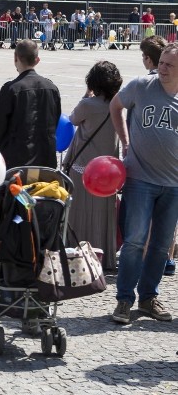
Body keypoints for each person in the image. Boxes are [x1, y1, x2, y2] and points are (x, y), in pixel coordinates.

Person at [108, 44, 178, 324]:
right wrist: (125, 141)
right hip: (140, 179)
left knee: (161, 246)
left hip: (173, 185)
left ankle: (149, 297)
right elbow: (115, 106)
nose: (162, 68)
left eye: (169, 65)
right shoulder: (140, 86)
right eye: (161, 63)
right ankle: (124, 300)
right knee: (135, 241)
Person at [62, 61, 123, 271]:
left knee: (79, 213)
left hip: (84, 168)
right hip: (108, 171)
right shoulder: (116, 105)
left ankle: (77, 254)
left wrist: (86, 94)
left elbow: (72, 119)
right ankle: (103, 256)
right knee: (103, 214)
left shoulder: (88, 105)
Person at [0, 39, 62, 168]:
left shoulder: (11, 89)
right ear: (37, 60)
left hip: (16, 161)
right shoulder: (51, 88)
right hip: (46, 161)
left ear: (15, 58)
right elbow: (55, 120)